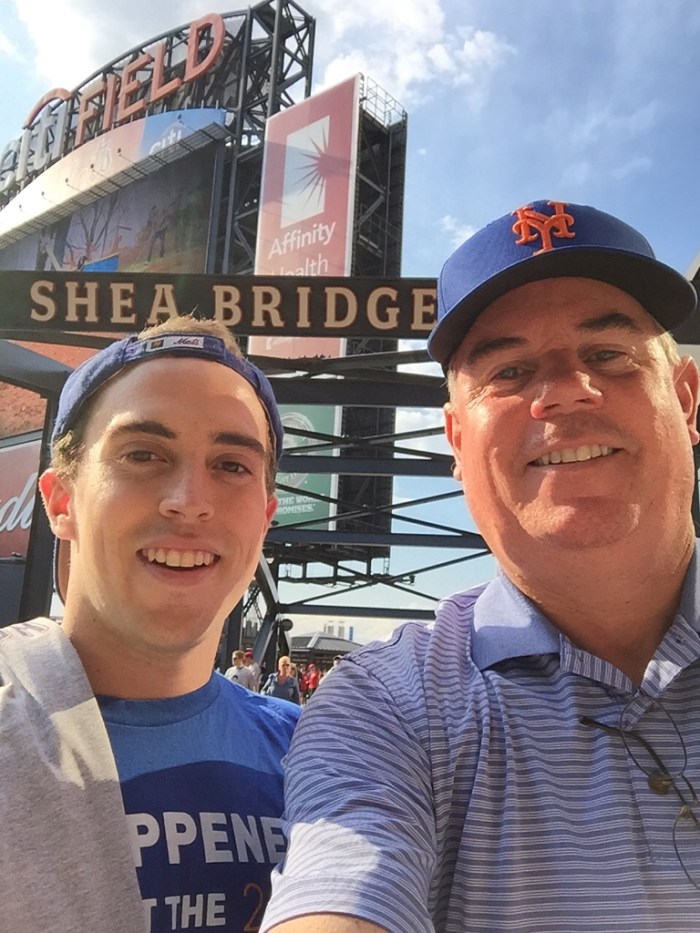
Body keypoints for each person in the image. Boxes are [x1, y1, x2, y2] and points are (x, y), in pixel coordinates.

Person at [261, 199, 700, 932]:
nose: (565, 389)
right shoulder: (387, 706)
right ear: (457, 441)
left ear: (686, 398)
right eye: (510, 369)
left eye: (608, 355)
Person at [0, 315, 300, 933]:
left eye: (232, 465)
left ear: (265, 519)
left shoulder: (323, 758)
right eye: (142, 454)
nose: (190, 499)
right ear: (60, 502)